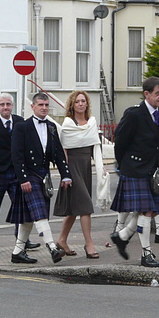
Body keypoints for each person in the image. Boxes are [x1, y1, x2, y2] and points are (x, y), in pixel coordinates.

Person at [109, 77, 159, 267]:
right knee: (146, 211)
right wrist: (124, 164)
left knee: (148, 211)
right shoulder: (134, 114)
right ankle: (146, 254)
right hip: (135, 168)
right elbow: (120, 141)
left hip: (151, 168)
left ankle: (122, 236)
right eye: (157, 93)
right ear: (147, 94)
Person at [8, 93, 71, 264]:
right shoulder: (22, 127)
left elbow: (58, 153)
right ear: (33, 107)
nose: (44, 108)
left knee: (29, 216)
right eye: (40, 105)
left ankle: (17, 252)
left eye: (46, 105)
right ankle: (52, 247)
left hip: (44, 177)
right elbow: (17, 155)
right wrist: (23, 179)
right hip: (29, 175)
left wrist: (65, 175)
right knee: (40, 214)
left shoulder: (51, 126)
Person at [0, 93, 40, 254]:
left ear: (12, 106)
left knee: (21, 209)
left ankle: (22, 241)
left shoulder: (21, 122)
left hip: (16, 173)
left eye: (8, 104)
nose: (5, 107)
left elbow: (27, 146)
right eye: (2, 104)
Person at [53, 91, 108, 259]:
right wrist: (65, 174)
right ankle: (89, 244)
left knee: (74, 209)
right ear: (72, 105)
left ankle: (62, 240)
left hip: (85, 167)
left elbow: (95, 147)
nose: (81, 104)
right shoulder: (68, 124)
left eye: (83, 101)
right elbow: (65, 150)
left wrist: (101, 167)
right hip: (72, 167)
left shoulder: (91, 123)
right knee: (85, 207)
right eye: (77, 101)